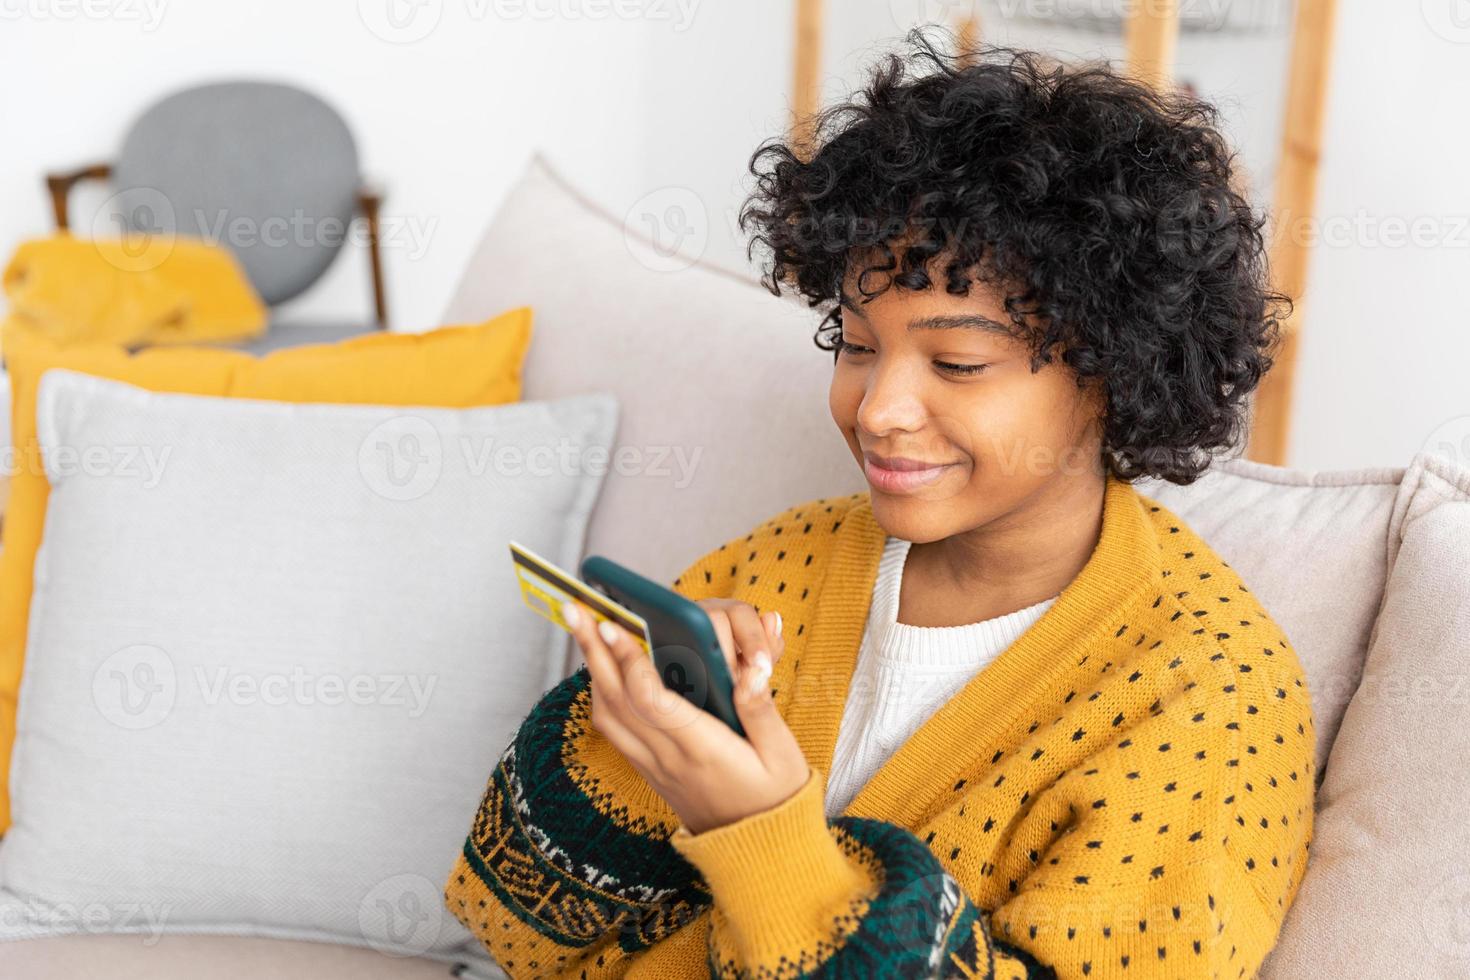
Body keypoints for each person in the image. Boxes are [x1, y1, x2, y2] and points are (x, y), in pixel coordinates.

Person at [446, 27, 1313, 979]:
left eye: (958, 362)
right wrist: (633, 735)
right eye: (857, 346)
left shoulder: (1210, 698)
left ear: (1115, 372)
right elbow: (522, 928)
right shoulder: (781, 563)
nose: (879, 410)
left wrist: (755, 829)